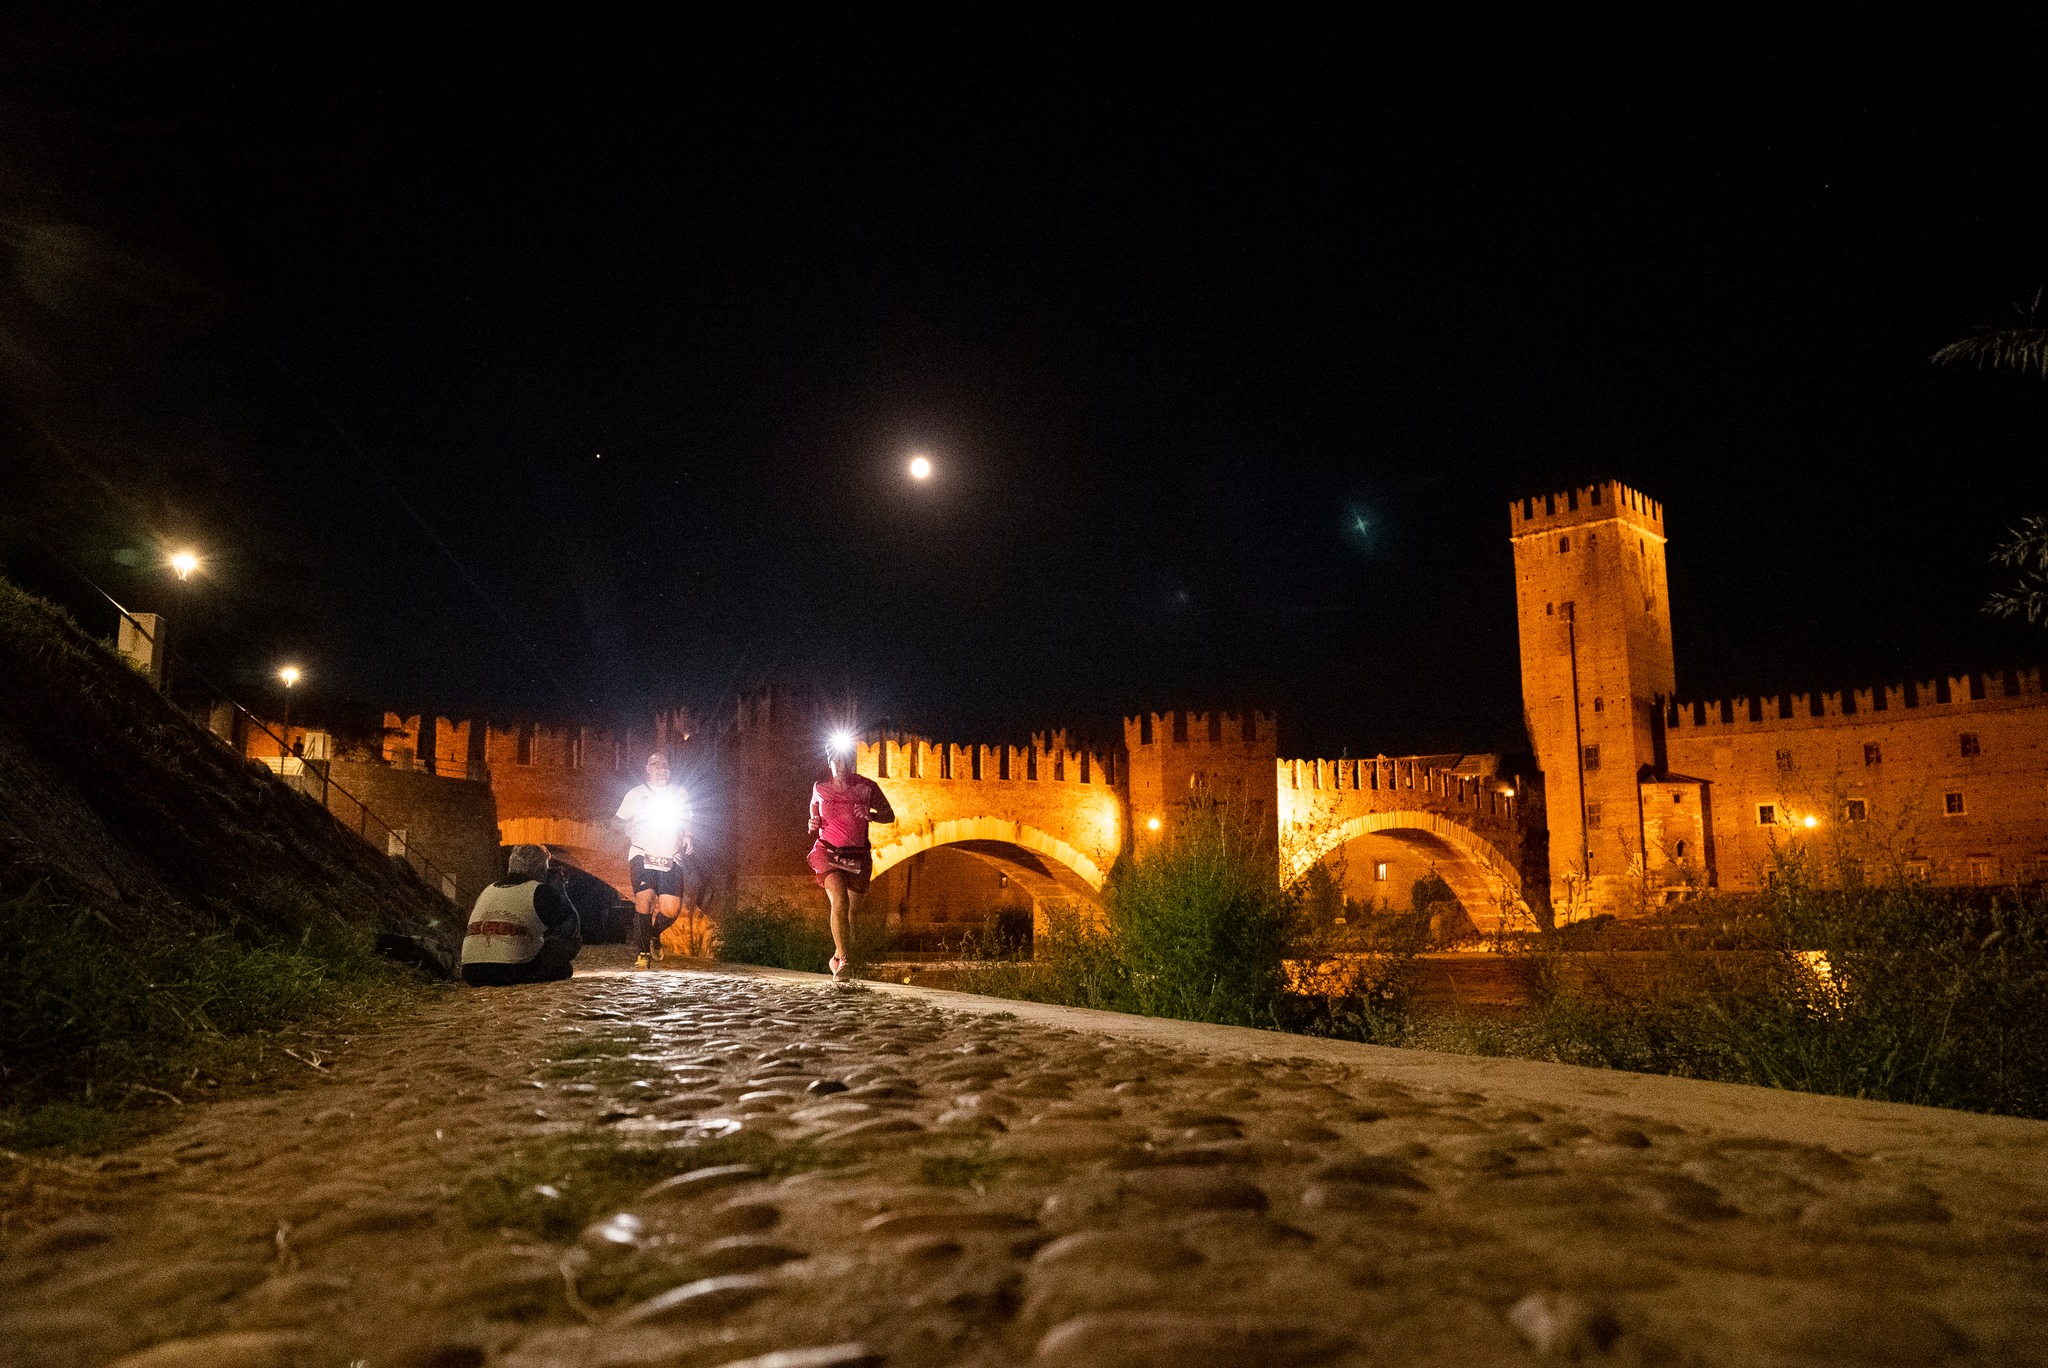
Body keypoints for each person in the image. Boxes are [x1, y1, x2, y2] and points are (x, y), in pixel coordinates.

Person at [807, 736, 895, 980]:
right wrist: (812, 823)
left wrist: (871, 815)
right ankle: (845, 962)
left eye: (846, 759)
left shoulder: (867, 788)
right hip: (828, 852)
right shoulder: (819, 788)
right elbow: (813, 816)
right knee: (840, 901)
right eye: (837, 759)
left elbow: (890, 816)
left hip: (857, 857)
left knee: (851, 916)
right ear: (830, 762)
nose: (842, 764)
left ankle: (836, 957)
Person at [615, 751, 694, 969]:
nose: (661, 768)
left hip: (671, 855)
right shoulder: (635, 794)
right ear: (647, 769)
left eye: (665, 764)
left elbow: (688, 820)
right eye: (655, 763)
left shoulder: (680, 793)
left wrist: (688, 836)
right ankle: (642, 954)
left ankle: (654, 934)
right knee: (645, 899)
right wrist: (627, 828)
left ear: (670, 770)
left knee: (670, 910)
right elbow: (616, 822)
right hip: (642, 852)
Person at [461, 844, 582, 986]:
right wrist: (559, 888)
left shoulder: (487, 890)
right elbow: (571, 929)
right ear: (540, 869)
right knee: (568, 954)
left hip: (471, 973)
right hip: (511, 972)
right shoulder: (540, 891)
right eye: (546, 867)